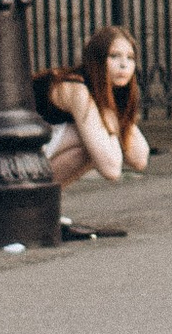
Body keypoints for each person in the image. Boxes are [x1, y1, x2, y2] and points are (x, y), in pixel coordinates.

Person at [34, 26, 151, 223]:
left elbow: (139, 158)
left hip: (40, 153)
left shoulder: (109, 90)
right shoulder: (76, 88)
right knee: (90, 142)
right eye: (114, 56)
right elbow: (111, 169)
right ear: (97, 60)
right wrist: (110, 115)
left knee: (94, 143)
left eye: (130, 58)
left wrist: (116, 112)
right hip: (20, 156)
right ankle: (33, 203)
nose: (124, 65)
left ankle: (40, 206)